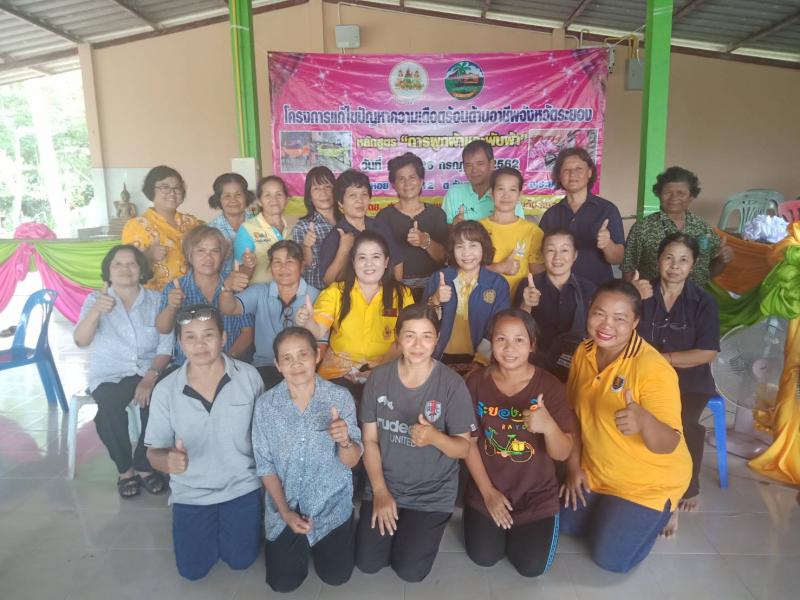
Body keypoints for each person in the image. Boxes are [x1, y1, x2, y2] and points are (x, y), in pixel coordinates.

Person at [559, 280, 692, 573]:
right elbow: (572, 413)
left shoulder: (652, 368)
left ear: (635, 322)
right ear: (589, 311)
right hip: (598, 470)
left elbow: (669, 442)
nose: (606, 325)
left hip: (647, 483)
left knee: (609, 559)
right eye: (599, 313)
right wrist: (573, 467)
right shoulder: (584, 351)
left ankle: (666, 506)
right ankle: (612, 512)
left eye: (619, 318)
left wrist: (644, 420)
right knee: (564, 525)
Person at [356, 304, 477, 582]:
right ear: (397, 338)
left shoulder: (452, 384)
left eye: (426, 336)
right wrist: (380, 492)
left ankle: (419, 530)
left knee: (410, 571)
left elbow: (464, 448)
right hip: (386, 485)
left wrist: (435, 437)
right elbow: (369, 440)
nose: (418, 345)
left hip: (431, 493)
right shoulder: (378, 379)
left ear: (437, 339)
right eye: (410, 336)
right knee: (368, 563)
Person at [145, 304, 264, 581]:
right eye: (190, 337)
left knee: (241, 561)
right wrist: (168, 461)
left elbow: (264, 439)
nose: (200, 345)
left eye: (208, 335)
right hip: (191, 493)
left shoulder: (249, 377)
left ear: (223, 338)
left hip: (241, 488)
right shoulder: (166, 390)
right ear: (179, 343)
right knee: (192, 571)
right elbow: (153, 453)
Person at [463, 309, 574, 576]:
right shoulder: (476, 382)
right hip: (488, 488)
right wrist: (488, 493)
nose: (509, 348)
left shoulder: (550, 386)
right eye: (501, 339)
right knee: (484, 556)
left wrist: (548, 427)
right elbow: (468, 443)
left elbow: (562, 453)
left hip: (536, 495)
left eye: (519, 340)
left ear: (532, 345)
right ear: (491, 342)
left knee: (531, 567)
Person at [252, 327, 362, 592]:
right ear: (277, 365)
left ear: (317, 356)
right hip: (286, 503)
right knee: (282, 583)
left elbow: (351, 462)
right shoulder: (266, 405)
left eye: (303, 354)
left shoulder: (339, 397)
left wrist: (344, 441)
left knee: (336, 576)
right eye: (287, 358)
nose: (296, 364)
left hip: (330, 503)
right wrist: (285, 512)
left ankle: (339, 531)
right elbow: (265, 465)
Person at [636, 233, 720, 536]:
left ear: (693, 265)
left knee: (681, 422)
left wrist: (664, 360)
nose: (675, 266)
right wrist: (631, 297)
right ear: (659, 260)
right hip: (643, 377)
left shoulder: (703, 302)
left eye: (683, 260)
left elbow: (707, 352)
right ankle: (638, 483)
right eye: (669, 258)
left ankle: (682, 490)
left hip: (689, 381)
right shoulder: (642, 292)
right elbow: (619, 332)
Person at [73, 245, 172, 498]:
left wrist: (150, 376)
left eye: (132, 264)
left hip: (148, 369)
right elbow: (81, 340)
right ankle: (125, 470)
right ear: (108, 271)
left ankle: (145, 465)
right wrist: (96, 312)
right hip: (110, 373)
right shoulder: (95, 300)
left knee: (160, 403)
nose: (125, 269)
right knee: (108, 410)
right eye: (117, 264)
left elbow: (166, 346)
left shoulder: (157, 300)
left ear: (142, 270)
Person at [296, 230, 413, 392]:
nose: (369, 264)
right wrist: (308, 322)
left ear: (386, 262)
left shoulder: (402, 295)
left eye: (376, 257)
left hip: (385, 371)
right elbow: (318, 330)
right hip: (338, 373)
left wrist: (376, 372)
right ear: (353, 261)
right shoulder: (335, 292)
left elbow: (407, 339)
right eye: (362, 257)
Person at [219, 240, 320, 390]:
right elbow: (230, 308)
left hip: (301, 368)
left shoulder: (316, 296)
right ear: (270, 268)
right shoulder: (260, 291)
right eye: (277, 262)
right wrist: (226, 289)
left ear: (301, 265)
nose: (283, 267)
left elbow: (321, 341)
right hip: (265, 366)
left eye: (289, 261)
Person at [156, 226, 254, 366]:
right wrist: (171, 307)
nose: (208, 257)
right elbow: (163, 329)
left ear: (222, 255)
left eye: (214, 251)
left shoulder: (235, 283)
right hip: (188, 366)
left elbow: (247, 333)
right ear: (189, 255)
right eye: (201, 251)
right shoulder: (175, 287)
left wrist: (225, 362)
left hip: (233, 364)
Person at [623, 166, 734, 287]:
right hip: (654, 297)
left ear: (691, 196)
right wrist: (631, 296)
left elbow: (707, 273)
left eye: (681, 193)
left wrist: (722, 260)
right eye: (668, 193)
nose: (674, 198)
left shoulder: (703, 227)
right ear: (659, 195)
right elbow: (628, 270)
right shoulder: (642, 228)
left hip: (694, 297)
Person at [422, 220, 510, 370]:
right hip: (439, 358)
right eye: (459, 246)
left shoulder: (498, 284)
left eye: (473, 245)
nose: (466, 253)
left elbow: (499, 327)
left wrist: (480, 362)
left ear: (484, 248)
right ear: (452, 250)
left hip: (481, 361)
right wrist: (435, 300)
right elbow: (422, 322)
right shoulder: (439, 277)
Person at [514, 228, 596, 380]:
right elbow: (514, 330)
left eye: (564, 250)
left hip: (576, 371)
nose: (557, 257)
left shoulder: (589, 289)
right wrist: (526, 305)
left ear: (575, 255)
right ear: (542, 254)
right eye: (551, 250)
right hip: (534, 369)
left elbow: (595, 333)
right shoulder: (528, 286)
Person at [538, 148, 624, 286]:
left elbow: (619, 258)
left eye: (579, 169)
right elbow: (540, 257)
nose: (572, 174)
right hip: (560, 291)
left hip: (598, 290)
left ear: (589, 172)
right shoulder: (551, 214)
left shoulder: (607, 210)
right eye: (566, 170)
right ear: (559, 175)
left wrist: (607, 244)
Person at [375, 152, 448, 292]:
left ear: (421, 181)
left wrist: (425, 241)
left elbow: (444, 258)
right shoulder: (384, 217)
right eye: (401, 179)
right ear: (394, 185)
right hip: (397, 287)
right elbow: (379, 258)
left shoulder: (437, 214)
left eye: (412, 177)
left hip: (433, 285)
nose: (407, 183)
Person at [318, 169, 404, 286]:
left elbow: (397, 264)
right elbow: (328, 281)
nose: (359, 200)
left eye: (364, 194)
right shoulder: (335, 236)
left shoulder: (381, 227)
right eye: (352, 195)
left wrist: (394, 291)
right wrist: (343, 250)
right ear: (340, 203)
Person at [122, 165, 202, 290]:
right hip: (157, 297)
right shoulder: (136, 225)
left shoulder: (192, 222)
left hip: (194, 294)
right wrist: (149, 256)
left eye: (177, 187)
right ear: (151, 190)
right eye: (165, 187)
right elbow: (127, 271)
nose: (172, 192)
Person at [481, 167, 544, 298]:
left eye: (512, 190)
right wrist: (498, 268)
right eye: (500, 189)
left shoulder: (533, 231)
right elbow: (465, 269)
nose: (506, 195)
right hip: (483, 302)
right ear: (491, 193)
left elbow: (538, 274)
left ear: (519, 195)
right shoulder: (478, 228)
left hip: (519, 303)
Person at [441, 139, 525, 224]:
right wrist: (456, 226)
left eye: (480, 164)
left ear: (491, 164)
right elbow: (443, 229)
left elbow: (518, 228)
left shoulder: (505, 197)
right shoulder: (454, 193)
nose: (474, 170)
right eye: (468, 165)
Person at [233, 175, 298, 284]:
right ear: (259, 201)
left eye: (279, 194)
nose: (274, 199)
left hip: (287, 291)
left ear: (286, 200)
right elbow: (240, 278)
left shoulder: (292, 230)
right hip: (258, 293)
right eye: (267, 195)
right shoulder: (247, 228)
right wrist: (249, 265)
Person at [291, 166, 341, 289]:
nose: (323, 193)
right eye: (316, 188)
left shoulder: (347, 221)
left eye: (327, 187)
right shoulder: (302, 227)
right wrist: (306, 247)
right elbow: (303, 268)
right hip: (317, 294)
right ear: (309, 196)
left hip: (345, 292)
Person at [207, 172, 256, 273]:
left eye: (238, 195)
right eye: (227, 196)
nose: (233, 200)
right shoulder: (210, 231)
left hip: (258, 282)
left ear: (246, 196)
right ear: (219, 199)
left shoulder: (260, 224)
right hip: (223, 282)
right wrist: (221, 255)